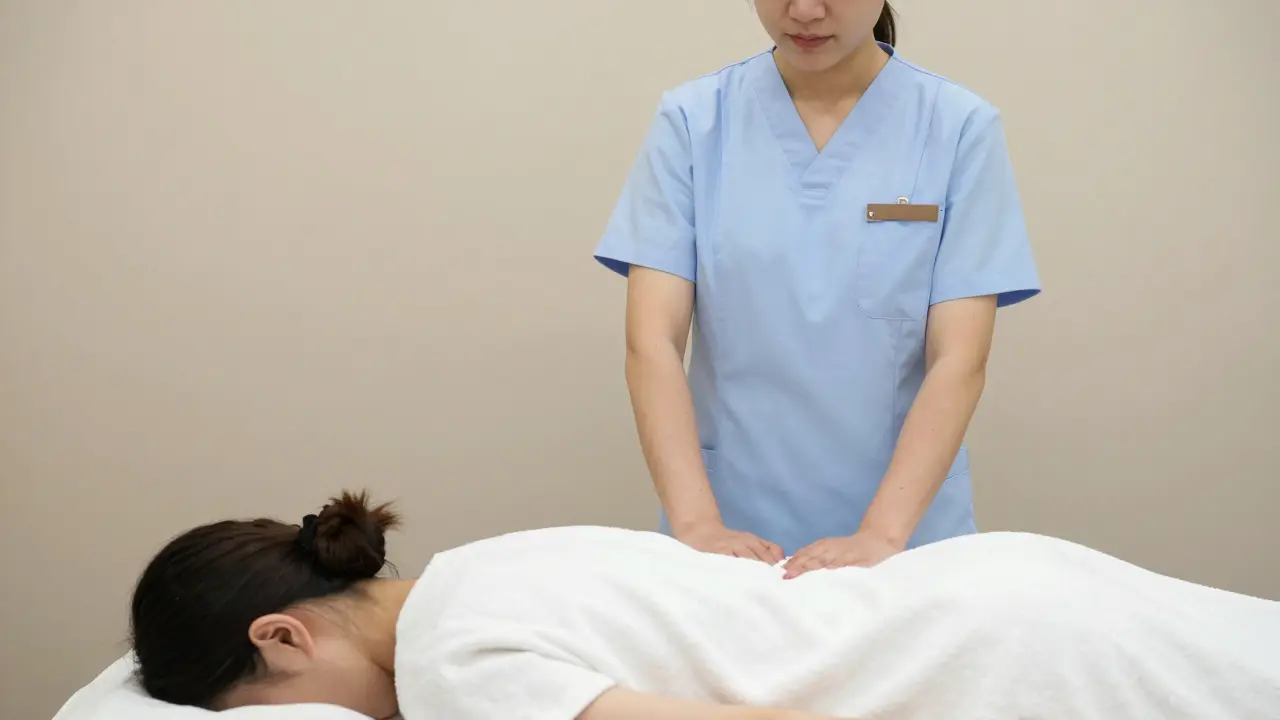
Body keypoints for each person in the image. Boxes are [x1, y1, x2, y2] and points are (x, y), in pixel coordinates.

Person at [130, 492, 1280, 720]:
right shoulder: (489, 559)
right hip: (997, 591)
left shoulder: (450, 673)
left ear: (283, 636)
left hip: (1006, 666)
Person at [593, 1, 1041, 577]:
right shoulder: (694, 122)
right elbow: (651, 342)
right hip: (727, 537)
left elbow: (960, 358)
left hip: (903, 542)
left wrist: (881, 534)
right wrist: (698, 525)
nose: (804, 10)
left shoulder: (956, 127)